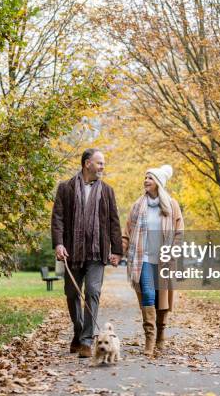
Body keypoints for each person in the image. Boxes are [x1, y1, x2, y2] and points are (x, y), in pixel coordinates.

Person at [51, 148, 123, 358]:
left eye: (103, 163)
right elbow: (58, 218)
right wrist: (58, 244)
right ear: (87, 163)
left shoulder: (107, 191)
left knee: (92, 291)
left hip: (97, 252)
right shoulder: (66, 188)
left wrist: (117, 251)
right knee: (72, 293)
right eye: (99, 163)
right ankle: (78, 330)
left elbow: (114, 222)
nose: (103, 167)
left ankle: (85, 340)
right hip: (72, 252)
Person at [122, 165, 184, 355]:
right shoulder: (137, 206)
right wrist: (120, 251)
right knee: (148, 294)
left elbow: (179, 232)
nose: (145, 180)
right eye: (145, 177)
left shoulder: (171, 205)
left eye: (149, 178)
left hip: (164, 260)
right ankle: (149, 339)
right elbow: (127, 232)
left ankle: (161, 336)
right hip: (144, 259)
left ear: (158, 182)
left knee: (161, 300)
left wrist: (173, 251)